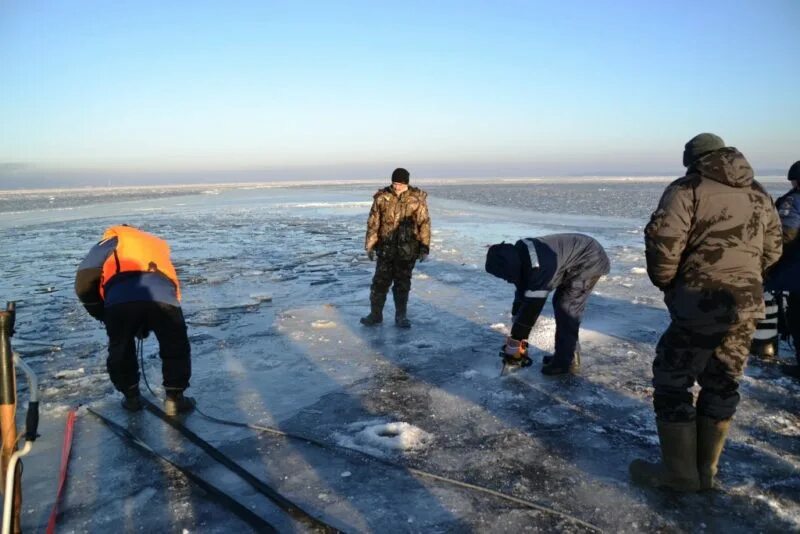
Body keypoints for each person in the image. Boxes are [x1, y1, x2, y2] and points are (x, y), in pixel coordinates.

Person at [630, 133, 782, 492]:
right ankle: (706, 471)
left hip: (699, 302)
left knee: (672, 379)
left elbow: (664, 243)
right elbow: (774, 247)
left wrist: (669, 283)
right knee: (723, 378)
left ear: (694, 159)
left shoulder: (688, 188)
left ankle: (680, 475)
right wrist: (748, 280)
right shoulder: (758, 191)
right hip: (744, 306)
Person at [75, 224, 195, 416]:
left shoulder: (111, 241)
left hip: (120, 300)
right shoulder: (155, 243)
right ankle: (175, 399)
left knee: (121, 347)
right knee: (175, 345)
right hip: (164, 297)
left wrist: (100, 312)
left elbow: (85, 277)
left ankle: (131, 397)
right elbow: (170, 276)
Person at [484, 233, 610, 375]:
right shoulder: (519, 256)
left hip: (588, 260)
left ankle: (564, 363)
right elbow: (523, 288)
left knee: (567, 308)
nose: (506, 280)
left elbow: (532, 308)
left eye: (505, 276)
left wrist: (516, 339)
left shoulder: (537, 267)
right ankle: (569, 355)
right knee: (561, 303)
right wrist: (516, 314)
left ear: (509, 268)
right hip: (572, 257)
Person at [361, 168, 431, 328]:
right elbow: (373, 223)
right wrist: (370, 246)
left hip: (407, 252)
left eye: (400, 183)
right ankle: (375, 315)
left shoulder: (417, 199)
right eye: (394, 183)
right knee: (379, 284)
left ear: (406, 183)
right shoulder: (381, 198)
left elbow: (424, 224)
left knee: (402, 284)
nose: (396, 186)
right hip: (385, 250)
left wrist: (424, 248)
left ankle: (401, 317)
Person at [764, 160, 800, 376]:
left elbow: (785, 235)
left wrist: (769, 264)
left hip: (796, 273)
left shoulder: (793, 202)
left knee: (797, 316)